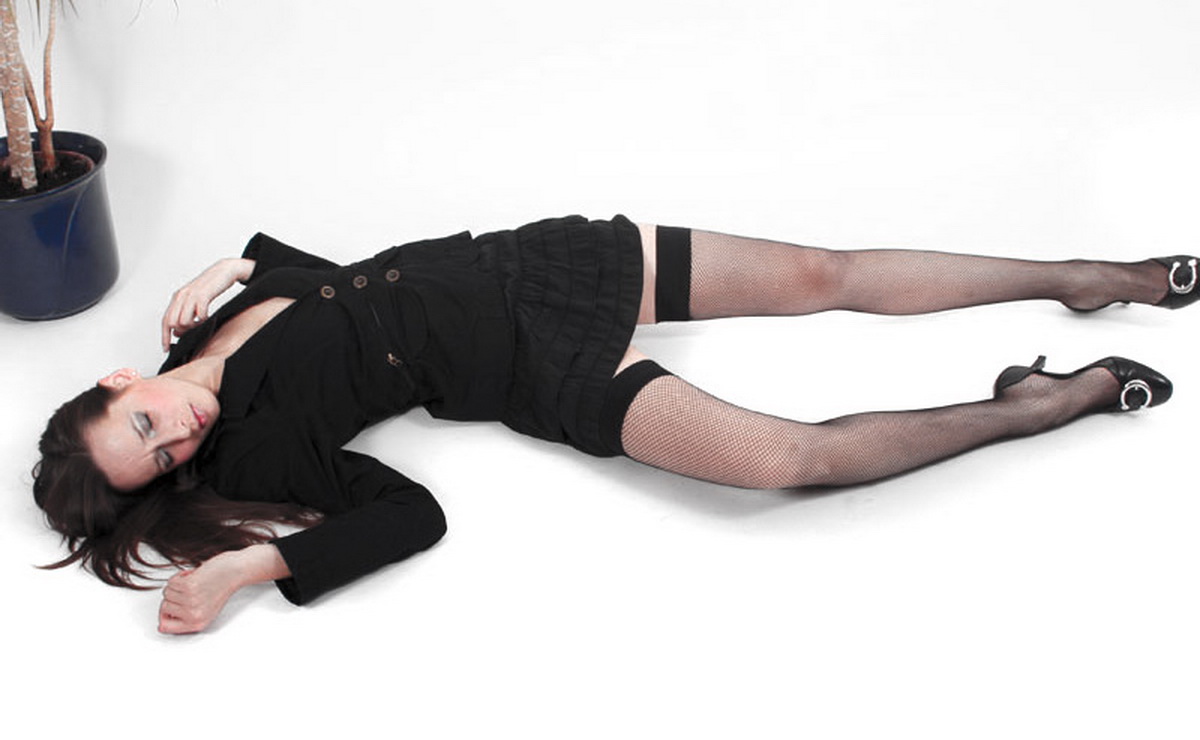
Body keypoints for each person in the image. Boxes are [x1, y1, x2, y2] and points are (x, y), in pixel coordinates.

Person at [31, 214, 1197, 635]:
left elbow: (333, 284)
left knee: (822, 270)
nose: (182, 429)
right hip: (536, 369)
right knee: (787, 459)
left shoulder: (195, 330)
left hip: (539, 261)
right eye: (166, 456)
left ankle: (1096, 275)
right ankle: (1044, 401)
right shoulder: (255, 449)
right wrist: (256, 564)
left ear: (124, 377)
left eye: (148, 415)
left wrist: (240, 261)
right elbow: (408, 511)